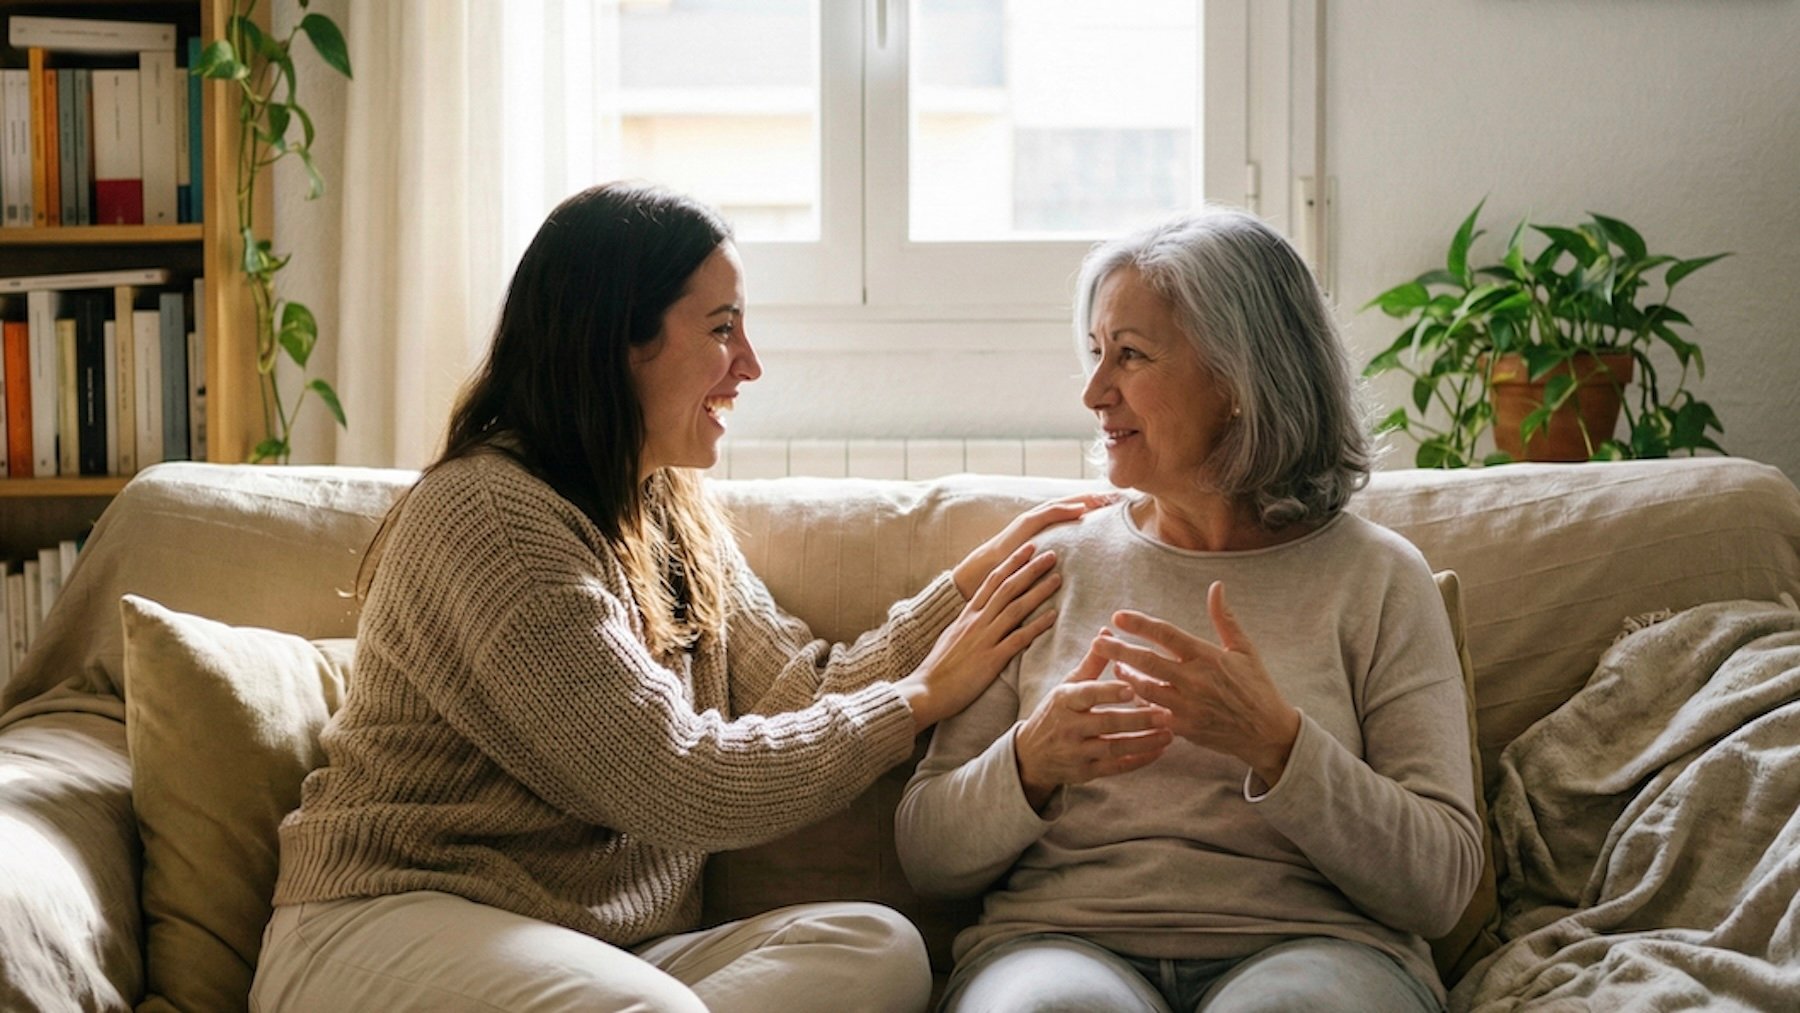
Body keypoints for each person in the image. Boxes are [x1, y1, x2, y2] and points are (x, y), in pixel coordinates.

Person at [249, 182, 1109, 1013]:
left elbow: (798, 692)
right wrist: (921, 698)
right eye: (722, 329)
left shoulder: (663, 503)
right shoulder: (492, 516)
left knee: (875, 949)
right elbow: (676, 778)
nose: (750, 365)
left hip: (602, 954)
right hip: (386, 923)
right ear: (620, 338)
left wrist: (968, 588)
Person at [895, 207, 1483, 1013]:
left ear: (1241, 381)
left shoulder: (1378, 578)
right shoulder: (1053, 566)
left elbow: (1441, 885)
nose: (1094, 390)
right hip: (1061, 943)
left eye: (1129, 356)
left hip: (1318, 950)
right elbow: (926, 851)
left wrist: (1279, 748)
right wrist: (1031, 760)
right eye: (1097, 351)